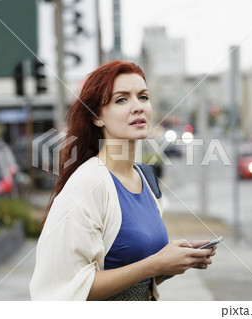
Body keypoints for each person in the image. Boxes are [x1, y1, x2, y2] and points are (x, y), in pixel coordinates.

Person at [29, 60, 217, 301]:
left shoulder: (145, 178)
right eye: (121, 99)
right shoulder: (87, 184)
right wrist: (155, 264)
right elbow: (67, 290)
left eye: (143, 97)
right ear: (97, 117)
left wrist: (175, 261)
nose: (138, 107)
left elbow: (134, 274)